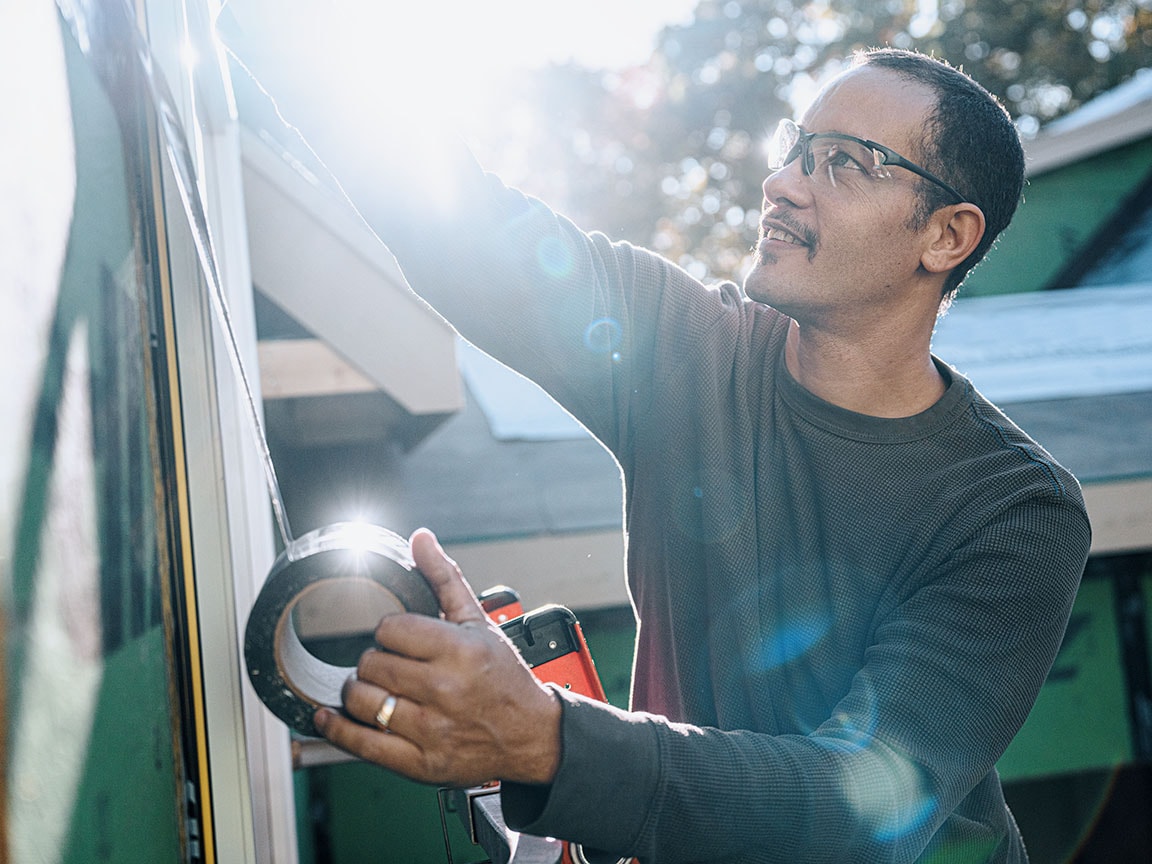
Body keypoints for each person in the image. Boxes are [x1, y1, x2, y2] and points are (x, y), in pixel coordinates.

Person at [277, 47, 1091, 863]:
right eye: (794, 148)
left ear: (946, 235)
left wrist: (546, 740)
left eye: (844, 162)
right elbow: (464, 229)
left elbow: (854, 807)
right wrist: (275, 42)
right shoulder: (687, 353)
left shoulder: (1015, 512)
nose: (781, 182)